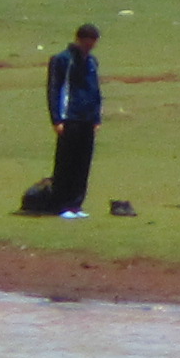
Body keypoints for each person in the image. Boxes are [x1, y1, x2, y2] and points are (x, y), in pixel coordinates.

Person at [33, 23, 107, 218]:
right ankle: (61, 204)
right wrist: (57, 119)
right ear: (79, 39)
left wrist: (96, 117)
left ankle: (76, 204)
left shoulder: (92, 61)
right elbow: (55, 89)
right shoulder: (63, 60)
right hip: (69, 118)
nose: (90, 46)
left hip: (87, 118)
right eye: (88, 42)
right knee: (66, 163)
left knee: (83, 163)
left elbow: (95, 90)